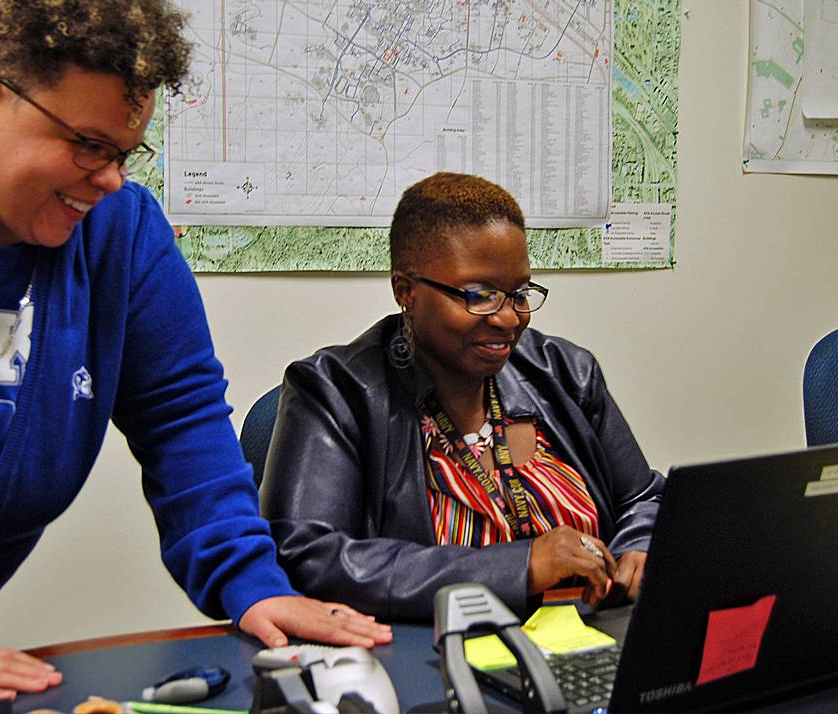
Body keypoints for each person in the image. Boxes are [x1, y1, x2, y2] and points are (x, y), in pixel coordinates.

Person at [0, 0, 389, 705]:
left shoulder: (120, 234)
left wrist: (251, 581)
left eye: (125, 153)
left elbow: (182, 421)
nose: (111, 179)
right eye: (88, 144)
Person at [260, 172, 665, 622]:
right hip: (428, 656)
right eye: (479, 295)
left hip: (588, 641)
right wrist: (519, 566)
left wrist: (639, 548)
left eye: (519, 293)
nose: (508, 318)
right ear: (405, 291)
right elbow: (307, 556)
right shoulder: (336, 392)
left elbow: (643, 498)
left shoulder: (565, 373)